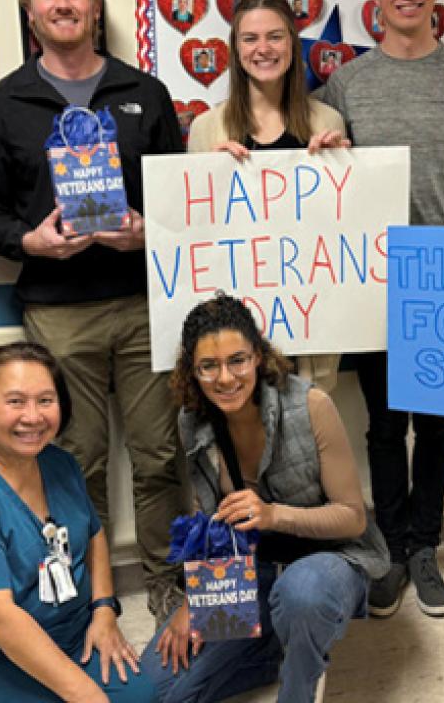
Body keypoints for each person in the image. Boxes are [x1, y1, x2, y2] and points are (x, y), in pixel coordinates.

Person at [0, 0, 189, 625]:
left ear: (96, 6)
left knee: (159, 454)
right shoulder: (2, 103)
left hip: (147, 302)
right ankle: (94, 593)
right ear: (29, 12)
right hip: (60, 314)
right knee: (77, 460)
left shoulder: (143, 93)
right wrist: (30, 242)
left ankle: (168, 578)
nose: (63, 3)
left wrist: (147, 231)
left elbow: (178, 200)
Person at [316, 0, 444, 619]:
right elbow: (319, 174)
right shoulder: (347, 82)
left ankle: (426, 546)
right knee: (382, 426)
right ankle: (391, 549)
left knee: (437, 424)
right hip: (373, 281)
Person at [142, 293, 390, 702]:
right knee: (155, 690)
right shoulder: (193, 419)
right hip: (252, 572)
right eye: (208, 366)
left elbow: (353, 518)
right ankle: (273, 648)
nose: (225, 378)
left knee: (302, 594)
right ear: (192, 371)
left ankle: (297, 684)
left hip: (330, 562)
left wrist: (274, 514)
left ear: (258, 356)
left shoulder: (310, 404)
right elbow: (208, 517)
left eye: (237, 360)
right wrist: (195, 598)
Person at [0, 342, 158, 703]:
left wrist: (104, 610)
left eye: (46, 400)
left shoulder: (59, 463)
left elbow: (93, 533)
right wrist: (87, 696)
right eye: (15, 402)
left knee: (146, 695)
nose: (33, 417)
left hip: (70, 634)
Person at [187, 0, 348, 392]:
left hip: (310, 313)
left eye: (275, 37)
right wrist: (209, 171)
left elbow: (343, 231)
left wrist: (342, 170)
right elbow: (194, 235)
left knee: (305, 434)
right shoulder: (207, 128)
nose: (263, 49)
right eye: (250, 39)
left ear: (292, 45)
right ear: (236, 49)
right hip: (237, 319)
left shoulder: (328, 121)